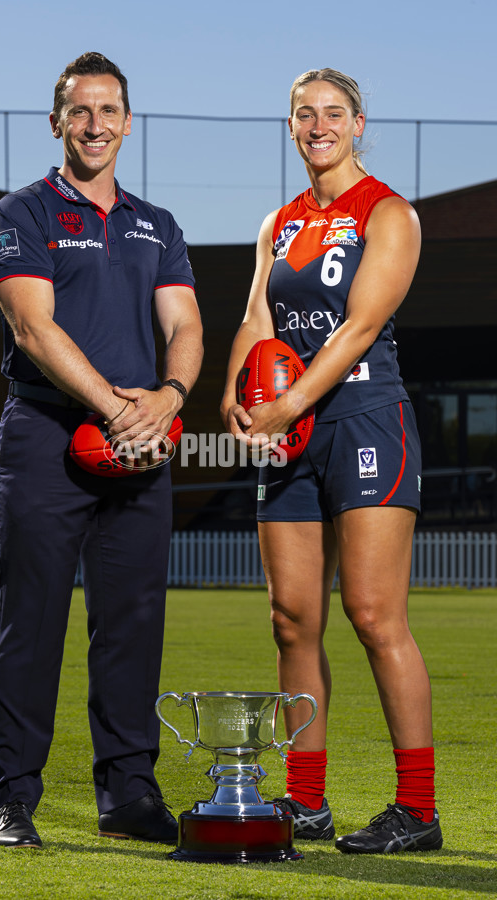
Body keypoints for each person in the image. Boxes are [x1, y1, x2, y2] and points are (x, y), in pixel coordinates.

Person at [0, 51, 203, 848]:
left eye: (110, 111)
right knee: (31, 620)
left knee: (133, 621)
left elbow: (184, 326)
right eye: (81, 111)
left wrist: (169, 401)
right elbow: (34, 328)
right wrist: (114, 406)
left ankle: (131, 797)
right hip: (47, 435)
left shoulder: (158, 224)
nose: (96, 124)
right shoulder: (22, 214)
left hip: (141, 447)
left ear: (129, 123)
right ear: (57, 122)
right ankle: (13, 799)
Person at [221, 68, 442, 854]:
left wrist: (291, 403)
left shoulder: (389, 213)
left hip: (363, 419)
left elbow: (356, 328)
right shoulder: (277, 224)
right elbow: (255, 316)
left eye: (333, 114)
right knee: (291, 621)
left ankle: (418, 810)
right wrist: (237, 391)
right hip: (287, 434)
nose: (318, 125)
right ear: (291, 126)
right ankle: (304, 802)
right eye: (304, 114)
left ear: (357, 123)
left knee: (375, 616)